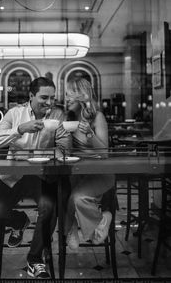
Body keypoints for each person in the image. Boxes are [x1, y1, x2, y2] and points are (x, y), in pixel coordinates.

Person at [0, 77, 70, 279]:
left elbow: (64, 145)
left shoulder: (57, 115)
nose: (49, 102)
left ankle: (35, 260)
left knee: (49, 209)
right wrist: (20, 129)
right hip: (14, 175)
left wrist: (59, 149)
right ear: (31, 96)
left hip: (41, 176)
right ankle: (19, 221)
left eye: (52, 98)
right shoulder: (15, 113)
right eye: (44, 97)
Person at [64, 78, 115, 250]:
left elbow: (104, 153)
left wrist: (91, 135)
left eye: (69, 95)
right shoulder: (69, 119)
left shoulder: (97, 117)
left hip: (100, 173)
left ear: (81, 96)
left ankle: (100, 220)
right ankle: (73, 227)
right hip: (78, 172)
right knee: (61, 191)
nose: (66, 99)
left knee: (76, 197)